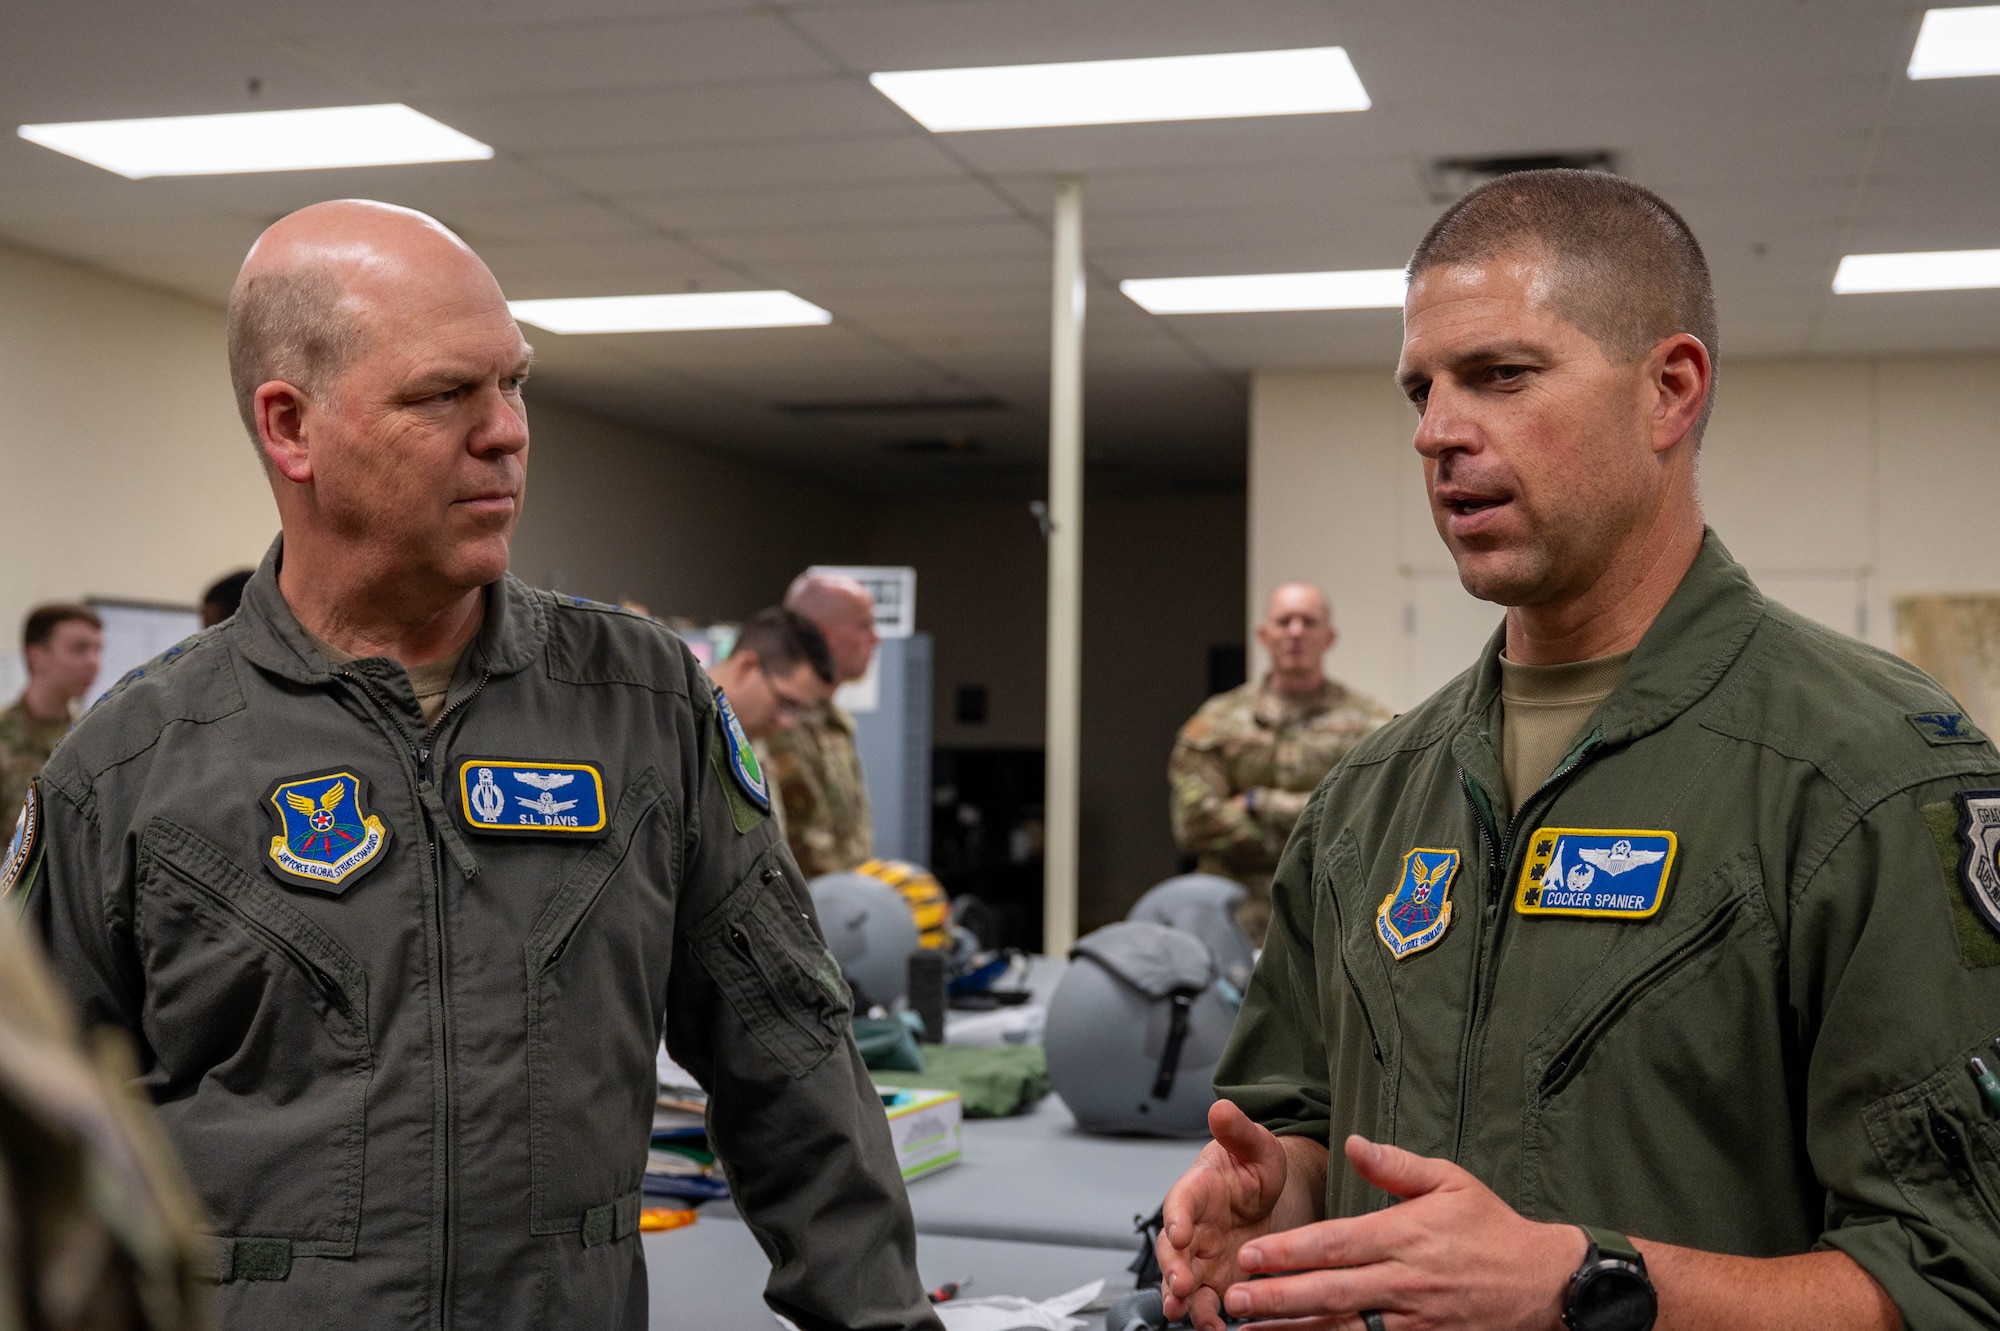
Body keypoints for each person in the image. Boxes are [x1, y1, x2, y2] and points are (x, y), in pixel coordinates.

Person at [12, 200, 936, 1331]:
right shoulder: (132, 763)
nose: (505, 431)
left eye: (514, 383)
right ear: (290, 427)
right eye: (444, 393)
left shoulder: (642, 705)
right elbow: (33, 1161)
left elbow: (790, 1061)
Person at [1157, 170, 2000, 1331]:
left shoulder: (1868, 778)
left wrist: (1584, 1288)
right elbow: (1293, 1107)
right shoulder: (1366, 797)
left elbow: (1953, 1274)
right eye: (1420, 387)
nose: (1435, 431)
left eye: (1499, 375)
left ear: (1668, 390)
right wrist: (1278, 1195)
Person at [1168, 583, 1390, 943]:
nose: (1296, 632)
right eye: (1284, 621)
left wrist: (1261, 804)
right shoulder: (1216, 722)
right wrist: (1306, 837)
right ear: (1263, 634)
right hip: (1231, 920)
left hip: (1328, 917)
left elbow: (1370, 814)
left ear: (1329, 637)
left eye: (1308, 621)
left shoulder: (1368, 725)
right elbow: (1193, 821)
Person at [766, 571, 879, 876]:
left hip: (847, 911)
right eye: (864, 626)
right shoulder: (779, 721)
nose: (876, 638)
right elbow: (793, 846)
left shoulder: (834, 722)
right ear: (823, 634)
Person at [708, 607, 836, 841]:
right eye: (785, 703)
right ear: (746, 667)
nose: (788, 722)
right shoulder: (680, 734)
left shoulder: (750, 744)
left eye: (797, 711)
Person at [1, 604, 102, 819]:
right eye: (79, 649)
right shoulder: (5, 738)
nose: (93, 662)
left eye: (98, 650)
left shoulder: (90, 739)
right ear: (36, 656)